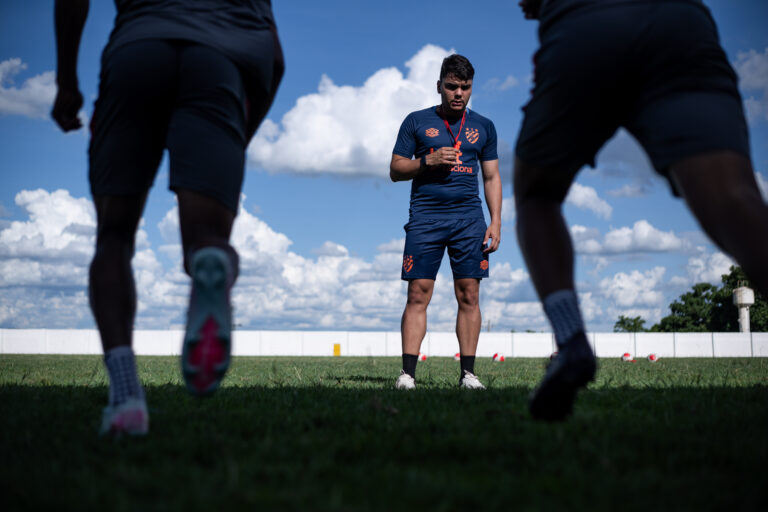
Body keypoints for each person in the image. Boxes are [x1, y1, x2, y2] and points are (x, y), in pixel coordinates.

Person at [514, 0, 768, 420]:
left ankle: (570, 339)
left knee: (538, 195)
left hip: (584, 27)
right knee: (734, 199)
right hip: (676, 21)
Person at [52, 0, 284, 436]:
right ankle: (208, 261)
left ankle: (125, 398)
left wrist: (66, 81)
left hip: (138, 52)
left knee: (113, 237)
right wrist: (237, 140)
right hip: (219, 62)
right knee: (206, 237)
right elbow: (276, 59)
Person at [390, 54, 502, 390]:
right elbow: (395, 169)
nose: (458, 93)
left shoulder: (483, 126)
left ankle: (468, 375)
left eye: (465, 88)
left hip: (469, 220)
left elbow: (492, 176)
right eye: (451, 86)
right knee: (417, 293)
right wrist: (429, 160)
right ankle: (407, 375)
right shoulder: (416, 121)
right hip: (425, 218)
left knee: (469, 294)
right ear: (439, 86)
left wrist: (495, 221)